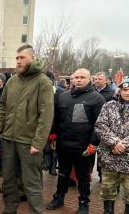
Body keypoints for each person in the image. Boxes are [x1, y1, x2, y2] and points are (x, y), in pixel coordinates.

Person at [0, 45, 54, 214]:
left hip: (29, 143)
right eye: (17, 58)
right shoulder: (12, 81)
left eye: (22, 58)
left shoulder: (43, 81)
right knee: (8, 181)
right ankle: (9, 210)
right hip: (8, 140)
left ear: (32, 58)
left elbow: (46, 115)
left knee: (32, 184)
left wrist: (38, 142)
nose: (18, 61)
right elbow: (2, 106)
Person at [46, 68, 105, 214]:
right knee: (63, 174)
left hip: (84, 147)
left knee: (83, 177)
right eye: (76, 77)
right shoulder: (63, 97)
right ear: (72, 79)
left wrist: (93, 144)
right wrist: (53, 136)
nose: (78, 80)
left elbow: (100, 125)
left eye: (82, 77)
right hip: (64, 144)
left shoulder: (97, 99)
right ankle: (59, 198)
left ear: (89, 79)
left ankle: (84, 203)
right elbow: (56, 119)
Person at [95, 77, 129, 214]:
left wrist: (123, 145)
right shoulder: (109, 106)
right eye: (125, 90)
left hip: (128, 160)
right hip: (110, 158)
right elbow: (100, 126)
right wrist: (114, 142)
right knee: (108, 191)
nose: (128, 92)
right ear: (120, 91)